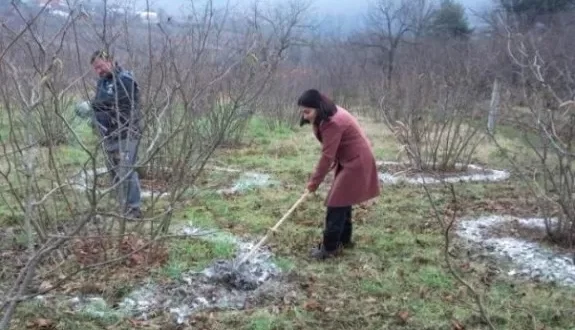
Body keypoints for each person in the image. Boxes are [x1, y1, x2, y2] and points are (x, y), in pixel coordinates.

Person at [298, 89, 380, 260]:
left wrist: (313, 183)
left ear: (318, 108)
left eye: (307, 111)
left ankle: (329, 249)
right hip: (348, 159)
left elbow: (327, 156)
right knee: (343, 200)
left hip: (357, 162)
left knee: (336, 203)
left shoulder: (333, 122)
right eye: (302, 111)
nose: (304, 116)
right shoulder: (327, 114)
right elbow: (332, 151)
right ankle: (344, 240)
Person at [83, 49, 143, 219]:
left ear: (110, 61)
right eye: (95, 68)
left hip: (126, 133)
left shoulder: (126, 80)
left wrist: (93, 106)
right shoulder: (103, 82)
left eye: (100, 66)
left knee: (126, 171)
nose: (98, 71)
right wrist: (94, 119)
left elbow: (120, 105)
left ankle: (134, 208)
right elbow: (99, 102)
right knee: (114, 173)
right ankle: (122, 206)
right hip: (108, 135)